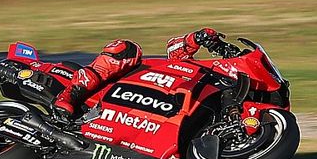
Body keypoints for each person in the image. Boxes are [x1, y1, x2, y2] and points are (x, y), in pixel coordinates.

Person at [52, 27, 227, 118]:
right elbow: (175, 50)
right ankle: (68, 96)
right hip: (127, 86)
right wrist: (196, 38)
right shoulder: (199, 72)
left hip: (153, 113)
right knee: (127, 50)